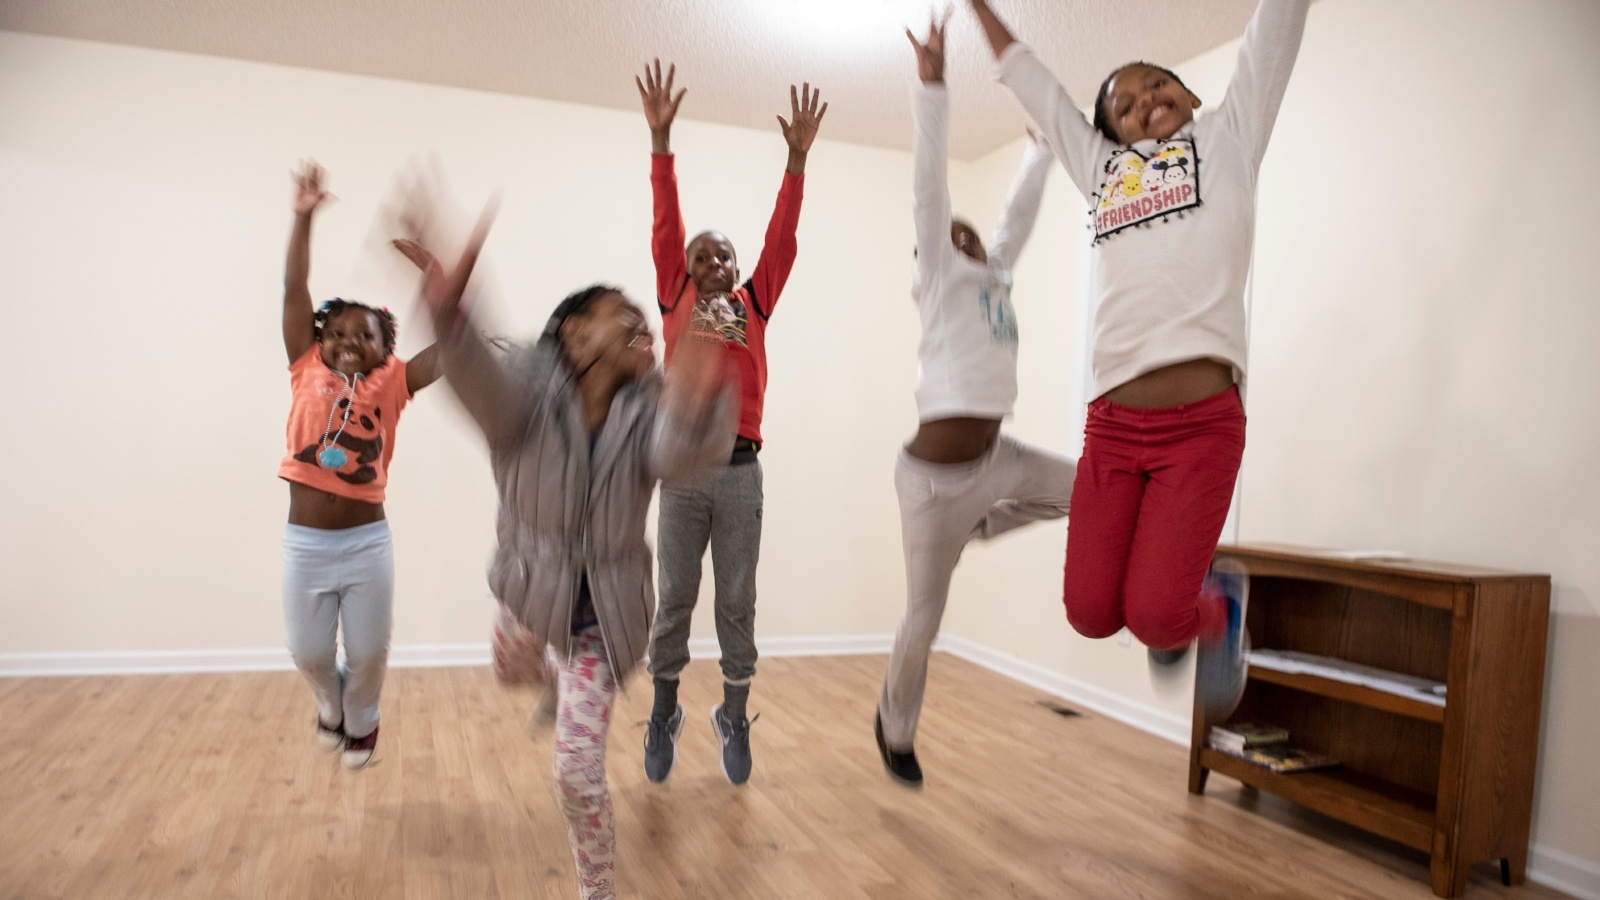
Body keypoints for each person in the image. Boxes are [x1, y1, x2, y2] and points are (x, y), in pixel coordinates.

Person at [964, 0, 1309, 720]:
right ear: (1108, 133)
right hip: (1114, 426)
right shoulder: (1103, 170)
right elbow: (1036, 87)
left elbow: (1274, 28)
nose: (1146, 99)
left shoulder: (1230, 134)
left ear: (1191, 97)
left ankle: (1220, 606)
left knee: (1157, 618)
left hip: (1201, 430)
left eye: (1158, 85)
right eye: (1123, 103)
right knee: (1090, 613)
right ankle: (1196, 606)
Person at [395, 194, 735, 900]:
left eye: (647, 322)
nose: (644, 326)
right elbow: (480, 383)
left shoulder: (649, 409)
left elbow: (679, 452)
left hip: (601, 619)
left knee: (576, 773)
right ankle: (545, 670)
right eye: (626, 316)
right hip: (529, 590)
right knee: (509, 666)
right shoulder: (524, 391)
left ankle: (597, 890)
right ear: (576, 337)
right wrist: (451, 316)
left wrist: (699, 400)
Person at [875, 15, 1077, 789]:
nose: (957, 235)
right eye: (944, 233)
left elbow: (1014, 223)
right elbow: (930, 184)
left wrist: (1040, 149)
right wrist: (932, 85)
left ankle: (987, 523)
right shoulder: (937, 281)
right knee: (923, 620)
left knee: (1095, 488)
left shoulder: (992, 277)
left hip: (1000, 462)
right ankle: (895, 729)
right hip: (932, 486)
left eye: (966, 233)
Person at [634, 59, 826, 785]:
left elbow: (783, 235)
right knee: (676, 598)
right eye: (700, 255)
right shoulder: (674, 296)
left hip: (742, 473)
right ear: (682, 269)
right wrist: (661, 144)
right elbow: (664, 220)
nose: (712, 261)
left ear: (740, 268)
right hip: (684, 476)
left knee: (737, 600)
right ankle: (664, 710)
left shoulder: (754, 303)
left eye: (725, 255)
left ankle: (734, 714)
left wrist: (796, 161)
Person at [277, 161, 441, 771]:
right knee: (310, 653)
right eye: (337, 331)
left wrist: (438, 278)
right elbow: (295, 292)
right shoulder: (305, 367)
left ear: (384, 349)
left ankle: (363, 719)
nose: (349, 340)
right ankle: (329, 704)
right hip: (306, 545)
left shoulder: (393, 382)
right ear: (318, 340)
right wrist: (303, 216)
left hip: (368, 543)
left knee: (370, 651)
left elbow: (452, 349)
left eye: (365, 334)